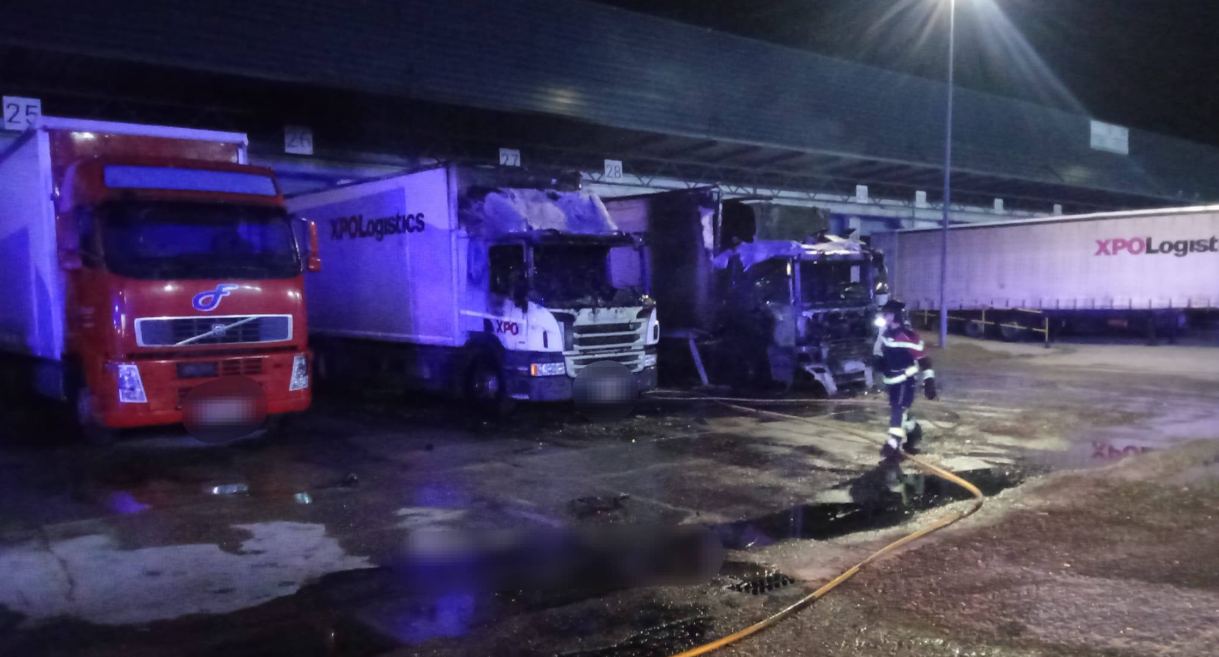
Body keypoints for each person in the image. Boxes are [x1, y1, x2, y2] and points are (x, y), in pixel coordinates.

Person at [873, 299, 937, 462]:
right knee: (901, 412)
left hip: (906, 381)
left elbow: (924, 360)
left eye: (887, 314)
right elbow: (879, 349)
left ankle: (893, 442)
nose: (884, 317)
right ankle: (914, 431)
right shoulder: (884, 333)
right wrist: (878, 360)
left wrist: (929, 382)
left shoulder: (910, 337)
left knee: (898, 409)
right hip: (891, 381)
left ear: (896, 316)